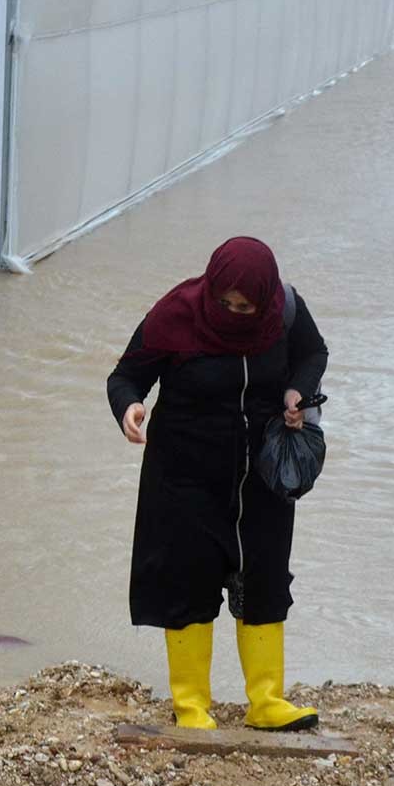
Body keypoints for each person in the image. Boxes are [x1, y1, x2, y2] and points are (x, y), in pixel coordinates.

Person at [106, 236, 329, 733]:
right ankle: (191, 707)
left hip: (262, 478)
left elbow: (313, 353)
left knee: (265, 579)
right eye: (223, 303)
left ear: (265, 299)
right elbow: (125, 376)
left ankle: (267, 702)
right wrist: (130, 407)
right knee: (187, 582)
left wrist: (296, 390)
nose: (232, 313)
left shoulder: (287, 312)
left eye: (244, 307)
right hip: (183, 478)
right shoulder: (175, 314)